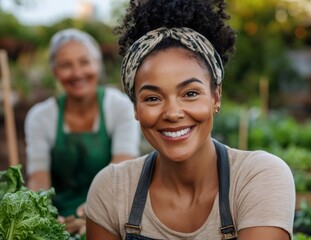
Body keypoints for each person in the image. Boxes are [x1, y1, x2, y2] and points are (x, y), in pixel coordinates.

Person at [85, 0, 296, 239]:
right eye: (153, 98)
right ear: (135, 107)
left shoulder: (258, 177)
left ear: (216, 97)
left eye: (190, 94)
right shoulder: (112, 190)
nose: (173, 113)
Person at [24, 28, 140, 235]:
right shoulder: (40, 116)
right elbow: (39, 177)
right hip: (59, 218)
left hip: (110, 212)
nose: (77, 73)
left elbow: (122, 169)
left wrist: (94, 213)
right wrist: (43, 215)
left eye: (84, 62)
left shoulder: (120, 107)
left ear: (98, 64)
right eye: (66, 65)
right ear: (55, 71)